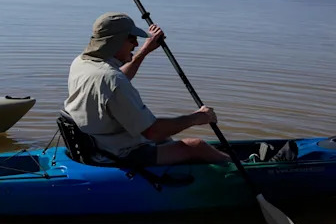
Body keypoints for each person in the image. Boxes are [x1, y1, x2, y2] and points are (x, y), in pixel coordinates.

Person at [64, 12, 231, 166]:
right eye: (131, 39)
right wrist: (198, 118)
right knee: (197, 146)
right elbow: (152, 132)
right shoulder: (111, 79)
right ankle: (241, 169)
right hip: (118, 154)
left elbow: (114, 81)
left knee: (167, 136)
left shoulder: (82, 63)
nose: (136, 43)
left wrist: (144, 51)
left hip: (100, 144)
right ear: (115, 40)